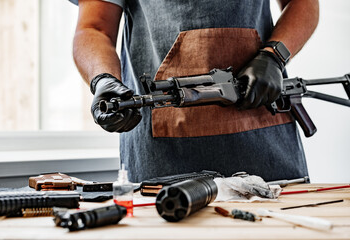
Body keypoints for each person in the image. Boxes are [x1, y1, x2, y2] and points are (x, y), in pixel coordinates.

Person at [70, 0, 319, 182]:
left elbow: (304, 4)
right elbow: (95, 28)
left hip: (268, 153)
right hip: (163, 164)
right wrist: (103, 80)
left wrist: (274, 56)